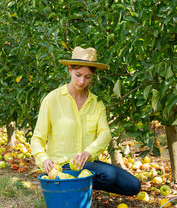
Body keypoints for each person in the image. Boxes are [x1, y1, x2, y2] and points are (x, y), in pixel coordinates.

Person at [31, 46, 141, 196]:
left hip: (87, 164)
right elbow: (37, 138)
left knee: (133, 186)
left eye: (87, 77)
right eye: (78, 75)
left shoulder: (96, 103)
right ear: (70, 69)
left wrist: (88, 152)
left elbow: (105, 133)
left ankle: (78, 187)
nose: (82, 81)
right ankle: (71, 186)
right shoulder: (52, 99)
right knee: (108, 174)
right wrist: (43, 159)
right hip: (62, 165)